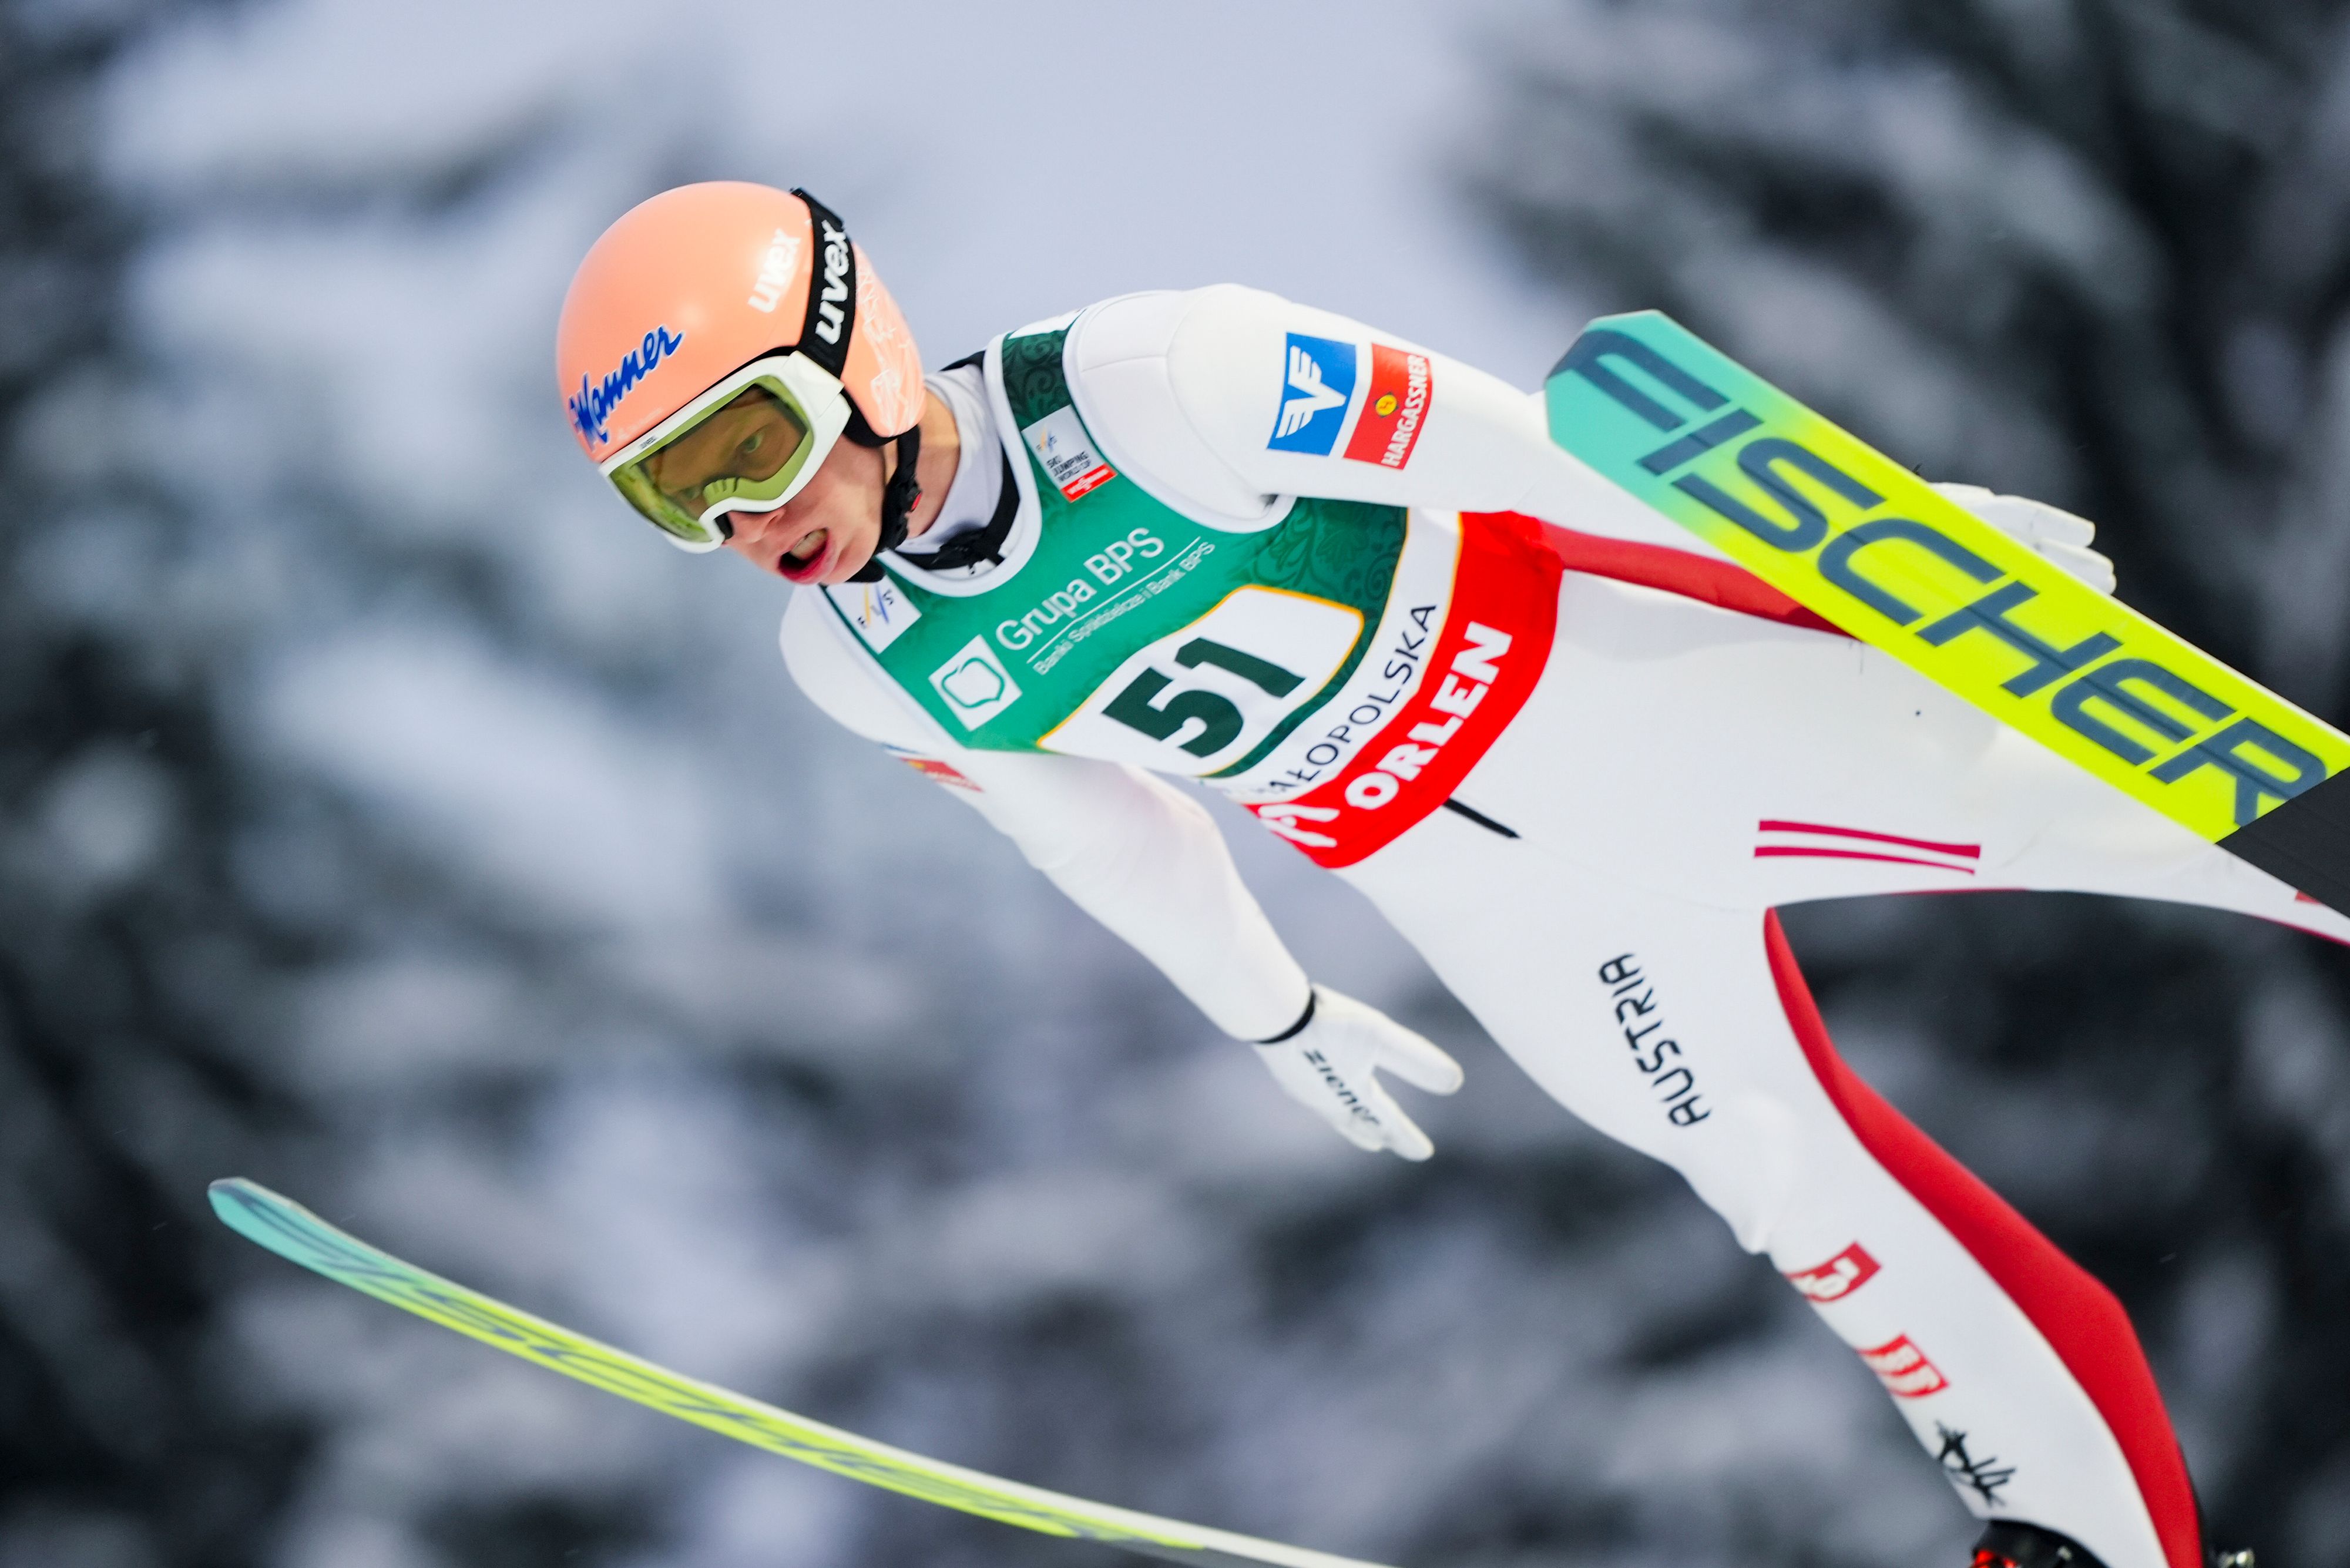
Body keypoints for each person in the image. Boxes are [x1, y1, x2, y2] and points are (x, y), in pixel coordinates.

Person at [556, 181, 2303, 1568]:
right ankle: (2090, 1540)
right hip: (1496, 901)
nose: (742, 524)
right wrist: (1275, 1006)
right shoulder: (859, 662)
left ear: (856, 356)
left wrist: (1869, 548)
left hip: (1645, 708)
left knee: (2199, 818)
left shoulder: (1168, 380)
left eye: (746, 447)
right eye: (672, 500)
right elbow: (1095, 834)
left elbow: (1547, 458)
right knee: (1806, 1204)